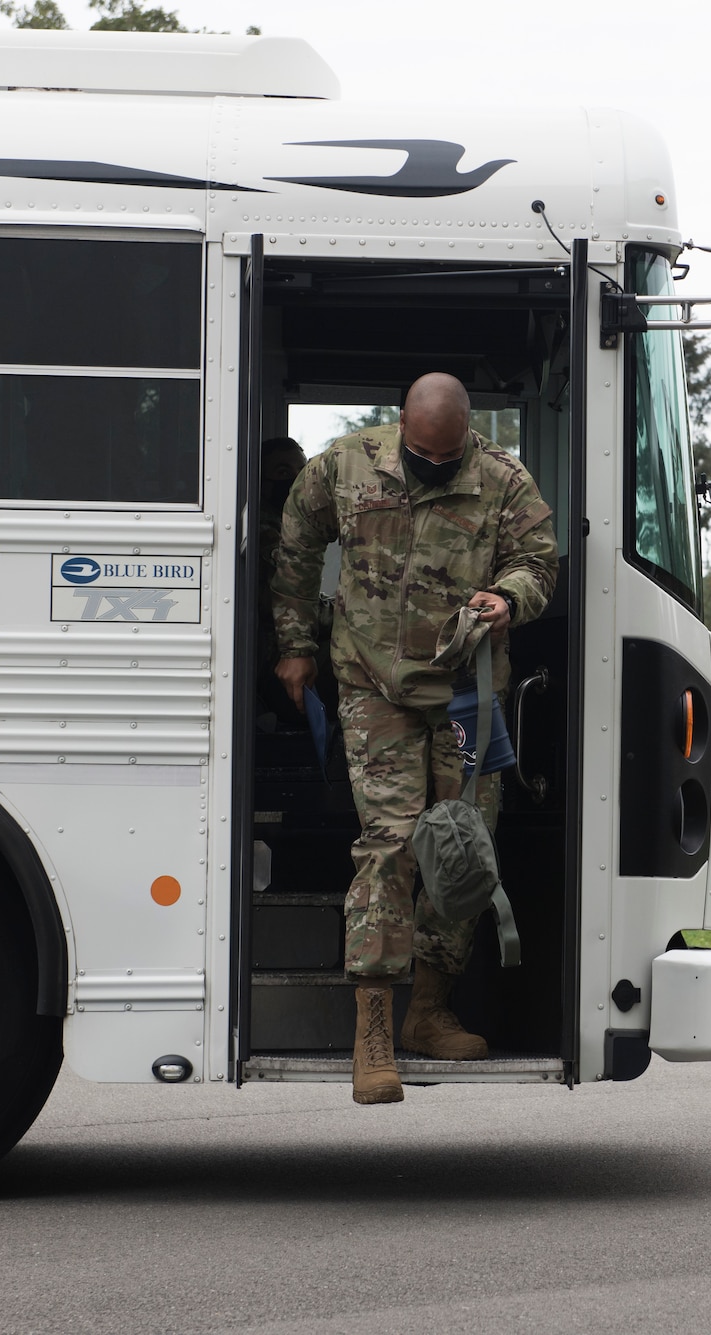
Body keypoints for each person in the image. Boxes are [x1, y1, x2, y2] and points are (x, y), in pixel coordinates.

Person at [270, 373, 558, 1105]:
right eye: (422, 456)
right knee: (392, 844)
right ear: (401, 424)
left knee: (461, 846)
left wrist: (509, 597)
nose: (434, 470)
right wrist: (297, 641)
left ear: (467, 435)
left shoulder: (503, 479)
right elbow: (297, 542)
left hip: (466, 692)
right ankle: (374, 1030)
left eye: (448, 457)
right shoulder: (346, 464)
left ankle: (430, 1007)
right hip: (377, 686)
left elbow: (539, 563)